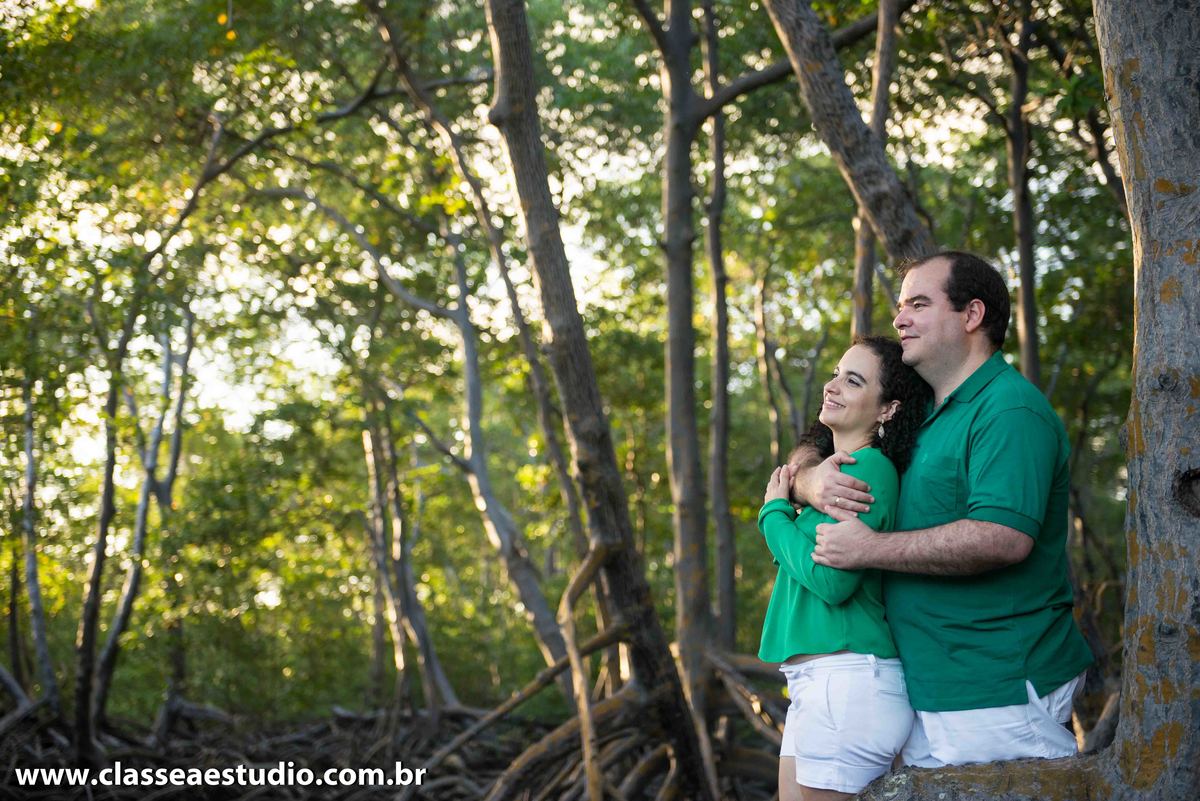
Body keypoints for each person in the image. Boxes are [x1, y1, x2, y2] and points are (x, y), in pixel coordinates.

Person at [796, 251, 1094, 768]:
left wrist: (871, 549)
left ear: (972, 315)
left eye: (918, 303)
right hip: (928, 688)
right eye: (899, 306)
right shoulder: (923, 409)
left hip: (994, 685)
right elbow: (820, 435)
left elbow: (1003, 537)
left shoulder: (1008, 410)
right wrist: (808, 480)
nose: (899, 318)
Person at [758, 335, 932, 800]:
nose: (832, 386)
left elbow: (832, 581)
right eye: (836, 373)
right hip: (817, 683)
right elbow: (808, 559)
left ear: (887, 410)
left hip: (849, 679)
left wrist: (774, 513)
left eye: (853, 380)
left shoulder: (870, 470)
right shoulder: (838, 470)